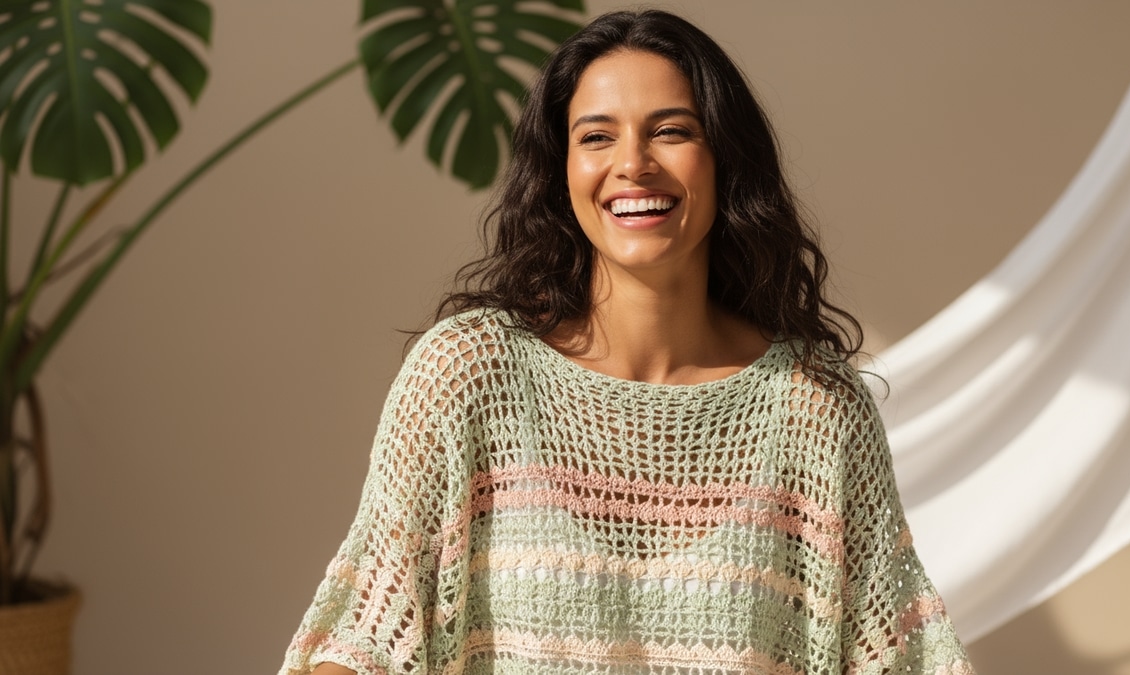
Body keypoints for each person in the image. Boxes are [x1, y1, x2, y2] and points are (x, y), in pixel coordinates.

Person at [280, 9, 973, 675]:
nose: (633, 164)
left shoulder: (815, 409)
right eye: (597, 136)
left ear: (724, 158)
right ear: (561, 169)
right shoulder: (468, 374)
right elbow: (365, 638)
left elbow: (896, 657)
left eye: (670, 131)